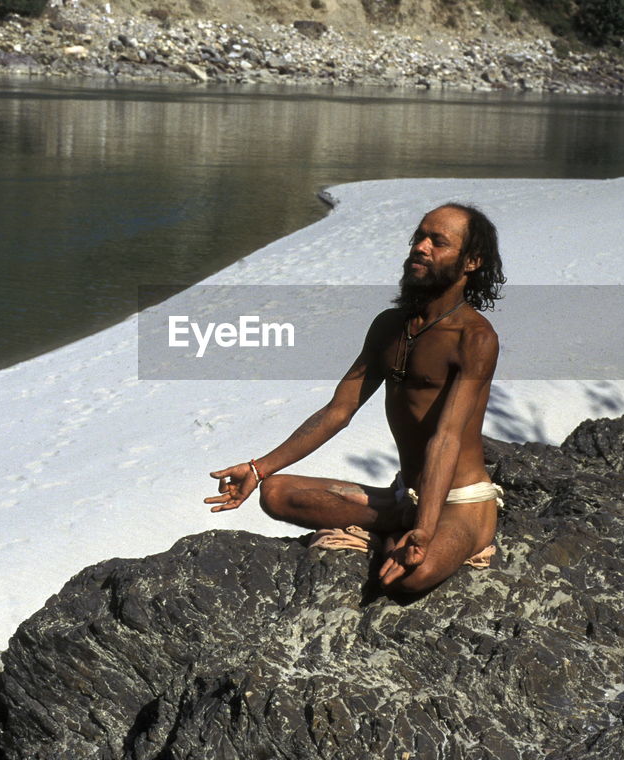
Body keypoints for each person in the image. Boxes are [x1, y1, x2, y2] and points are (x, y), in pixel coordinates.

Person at [206, 203, 506, 594]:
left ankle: (410, 532)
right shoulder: (389, 326)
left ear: (472, 262)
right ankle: (399, 522)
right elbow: (338, 410)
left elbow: (445, 437)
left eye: (438, 242)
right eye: (419, 236)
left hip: (460, 503)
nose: (421, 247)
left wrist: (425, 530)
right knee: (275, 493)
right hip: (405, 497)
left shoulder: (475, 339)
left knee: (411, 578)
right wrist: (259, 467)